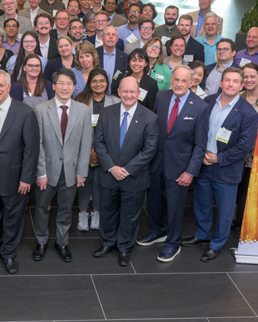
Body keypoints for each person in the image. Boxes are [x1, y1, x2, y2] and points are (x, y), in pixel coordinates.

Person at [181, 67, 258, 262]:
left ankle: (216, 244)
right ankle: (202, 234)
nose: (231, 84)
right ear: (221, 83)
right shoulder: (207, 102)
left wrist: (218, 158)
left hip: (227, 168)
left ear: (241, 86)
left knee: (224, 209)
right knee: (202, 202)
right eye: (227, 80)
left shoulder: (248, 113)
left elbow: (245, 146)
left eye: (235, 81)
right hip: (203, 164)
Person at [137, 66, 209, 263]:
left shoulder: (201, 107)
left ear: (192, 82)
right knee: (153, 200)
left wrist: (190, 172)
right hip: (156, 161)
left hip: (180, 167)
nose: (178, 84)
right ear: (171, 79)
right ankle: (157, 231)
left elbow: (200, 145)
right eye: (176, 79)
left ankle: (173, 243)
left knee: (175, 207)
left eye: (184, 81)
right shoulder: (161, 96)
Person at [0, 69, 40, 274]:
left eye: (0, 85)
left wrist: (26, 179)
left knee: (13, 217)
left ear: (9, 86)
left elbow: (32, 150)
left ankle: (9, 253)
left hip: (15, 178)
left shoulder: (25, 112)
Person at [92, 76, 158, 267]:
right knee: (107, 211)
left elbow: (149, 150)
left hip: (134, 177)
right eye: (125, 91)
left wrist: (127, 170)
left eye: (132, 91)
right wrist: (112, 167)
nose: (128, 95)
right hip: (109, 173)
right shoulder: (106, 113)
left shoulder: (150, 118)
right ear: (119, 92)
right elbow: (99, 142)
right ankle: (107, 243)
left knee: (130, 215)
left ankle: (124, 248)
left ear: (139, 93)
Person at [32, 68, 92, 262]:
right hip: (47, 171)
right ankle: (41, 241)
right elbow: (37, 143)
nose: (65, 87)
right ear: (54, 86)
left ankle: (62, 242)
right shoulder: (40, 110)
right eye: (61, 83)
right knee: (41, 207)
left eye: (69, 84)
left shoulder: (83, 110)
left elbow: (86, 143)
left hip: (72, 171)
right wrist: (40, 173)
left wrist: (82, 171)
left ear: (74, 87)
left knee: (66, 210)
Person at [74, 69, 120, 231]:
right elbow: (76, 127)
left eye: (102, 81)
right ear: (89, 83)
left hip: (107, 152)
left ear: (107, 83)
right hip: (84, 149)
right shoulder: (80, 99)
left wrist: (100, 151)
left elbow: (117, 130)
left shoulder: (115, 101)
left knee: (100, 183)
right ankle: (82, 213)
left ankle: (97, 213)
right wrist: (90, 150)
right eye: (94, 81)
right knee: (84, 182)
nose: (98, 84)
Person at [232, 63, 258, 236]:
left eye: (253, 76)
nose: (249, 80)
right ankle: (237, 221)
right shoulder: (238, 97)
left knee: (250, 192)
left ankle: (245, 224)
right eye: (246, 77)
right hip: (237, 155)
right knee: (238, 190)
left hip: (257, 155)